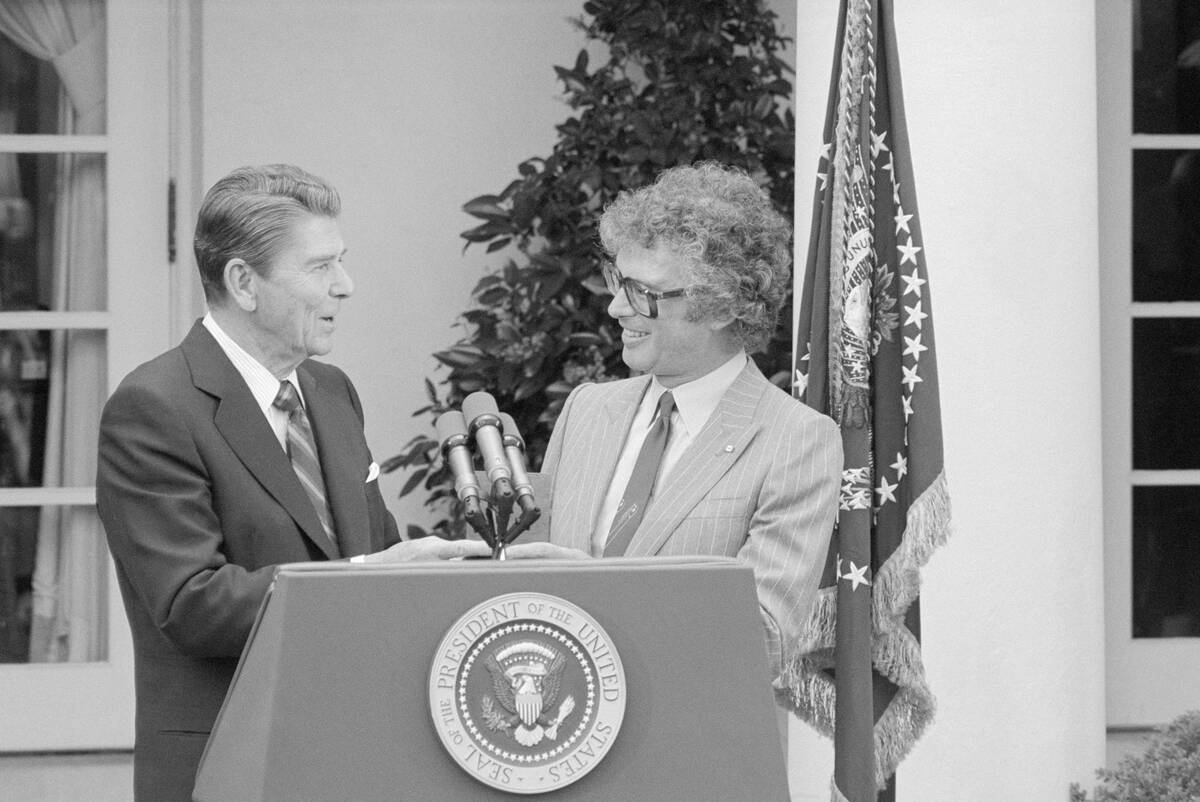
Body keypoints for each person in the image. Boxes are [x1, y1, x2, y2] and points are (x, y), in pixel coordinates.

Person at [96, 164, 489, 802]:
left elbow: (376, 550)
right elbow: (192, 605)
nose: (346, 286)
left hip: (356, 760)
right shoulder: (155, 406)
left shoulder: (331, 393)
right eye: (320, 267)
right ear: (243, 283)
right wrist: (371, 574)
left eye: (343, 261)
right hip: (228, 765)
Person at [537, 161, 842, 698]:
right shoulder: (586, 409)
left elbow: (762, 639)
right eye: (616, 280)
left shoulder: (796, 440)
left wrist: (589, 595)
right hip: (558, 738)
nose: (614, 308)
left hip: (687, 757)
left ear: (722, 307)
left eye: (641, 291)